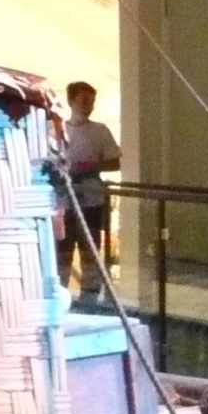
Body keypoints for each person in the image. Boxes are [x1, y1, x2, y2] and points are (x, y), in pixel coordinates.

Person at [57, 82, 120, 297]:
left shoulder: (100, 131)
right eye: (84, 100)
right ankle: (60, 293)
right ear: (72, 101)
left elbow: (115, 162)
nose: (89, 106)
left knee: (90, 248)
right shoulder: (57, 129)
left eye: (91, 101)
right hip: (64, 198)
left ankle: (91, 295)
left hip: (91, 197)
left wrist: (91, 167)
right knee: (62, 249)